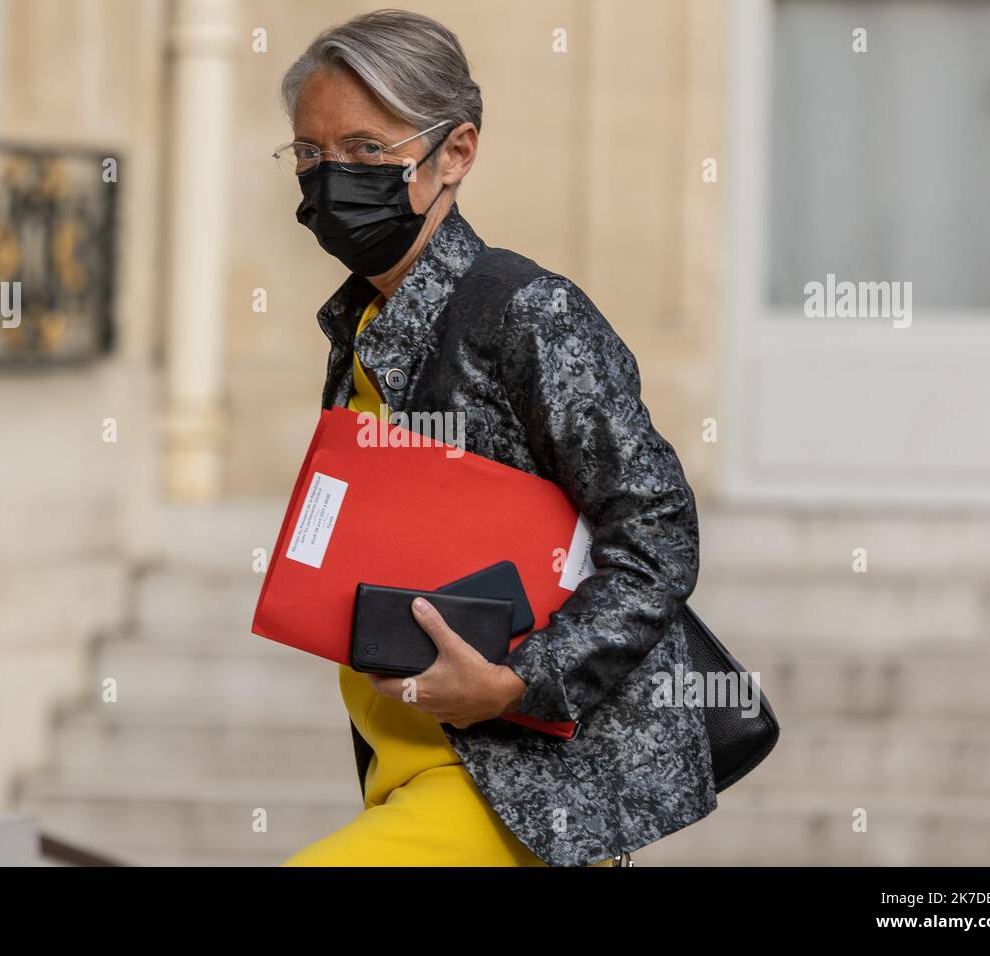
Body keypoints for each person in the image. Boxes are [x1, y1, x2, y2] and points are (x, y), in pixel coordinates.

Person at [275, 9, 717, 867]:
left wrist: (520, 680)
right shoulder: (361, 325)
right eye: (310, 154)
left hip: (513, 784)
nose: (332, 179)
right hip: (403, 770)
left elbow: (657, 534)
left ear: (457, 152)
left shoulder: (526, 313)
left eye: (367, 150)